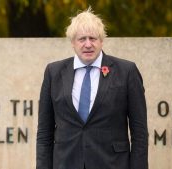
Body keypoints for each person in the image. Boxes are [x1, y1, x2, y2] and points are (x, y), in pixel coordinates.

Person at [36, 8, 148, 169]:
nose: (88, 44)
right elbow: (44, 134)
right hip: (65, 163)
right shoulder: (53, 73)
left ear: (102, 41)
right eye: (82, 39)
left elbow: (140, 134)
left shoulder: (127, 71)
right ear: (73, 42)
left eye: (93, 38)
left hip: (112, 164)